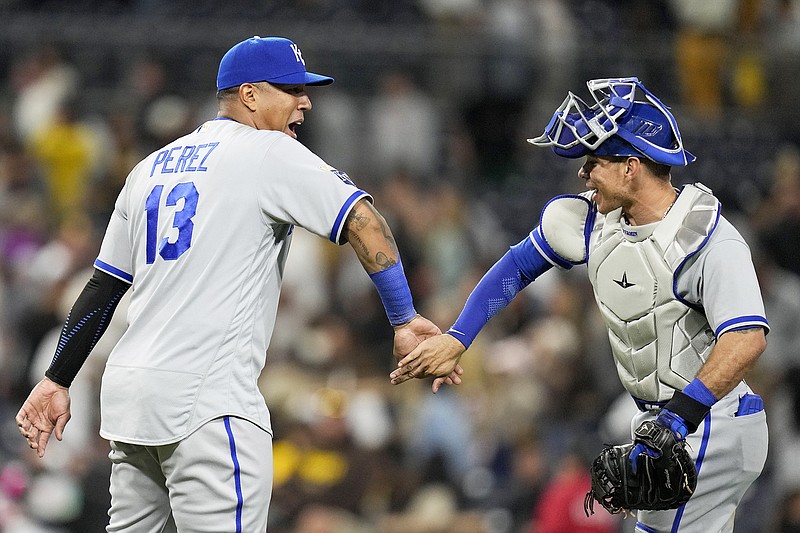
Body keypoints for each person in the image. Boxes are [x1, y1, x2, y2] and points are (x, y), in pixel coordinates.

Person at [16, 35, 458, 533]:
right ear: (249, 95)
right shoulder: (268, 151)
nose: (305, 101)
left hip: (131, 401)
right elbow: (364, 220)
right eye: (292, 89)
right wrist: (403, 318)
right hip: (207, 403)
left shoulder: (149, 168)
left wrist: (57, 379)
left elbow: (103, 287)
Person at [390, 77, 769, 533]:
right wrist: (458, 337)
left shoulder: (708, 238)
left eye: (593, 162)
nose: (582, 174)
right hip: (665, 422)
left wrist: (677, 420)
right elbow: (516, 267)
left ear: (631, 167)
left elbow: (747, 339)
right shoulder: (592, 221)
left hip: (711, 420)